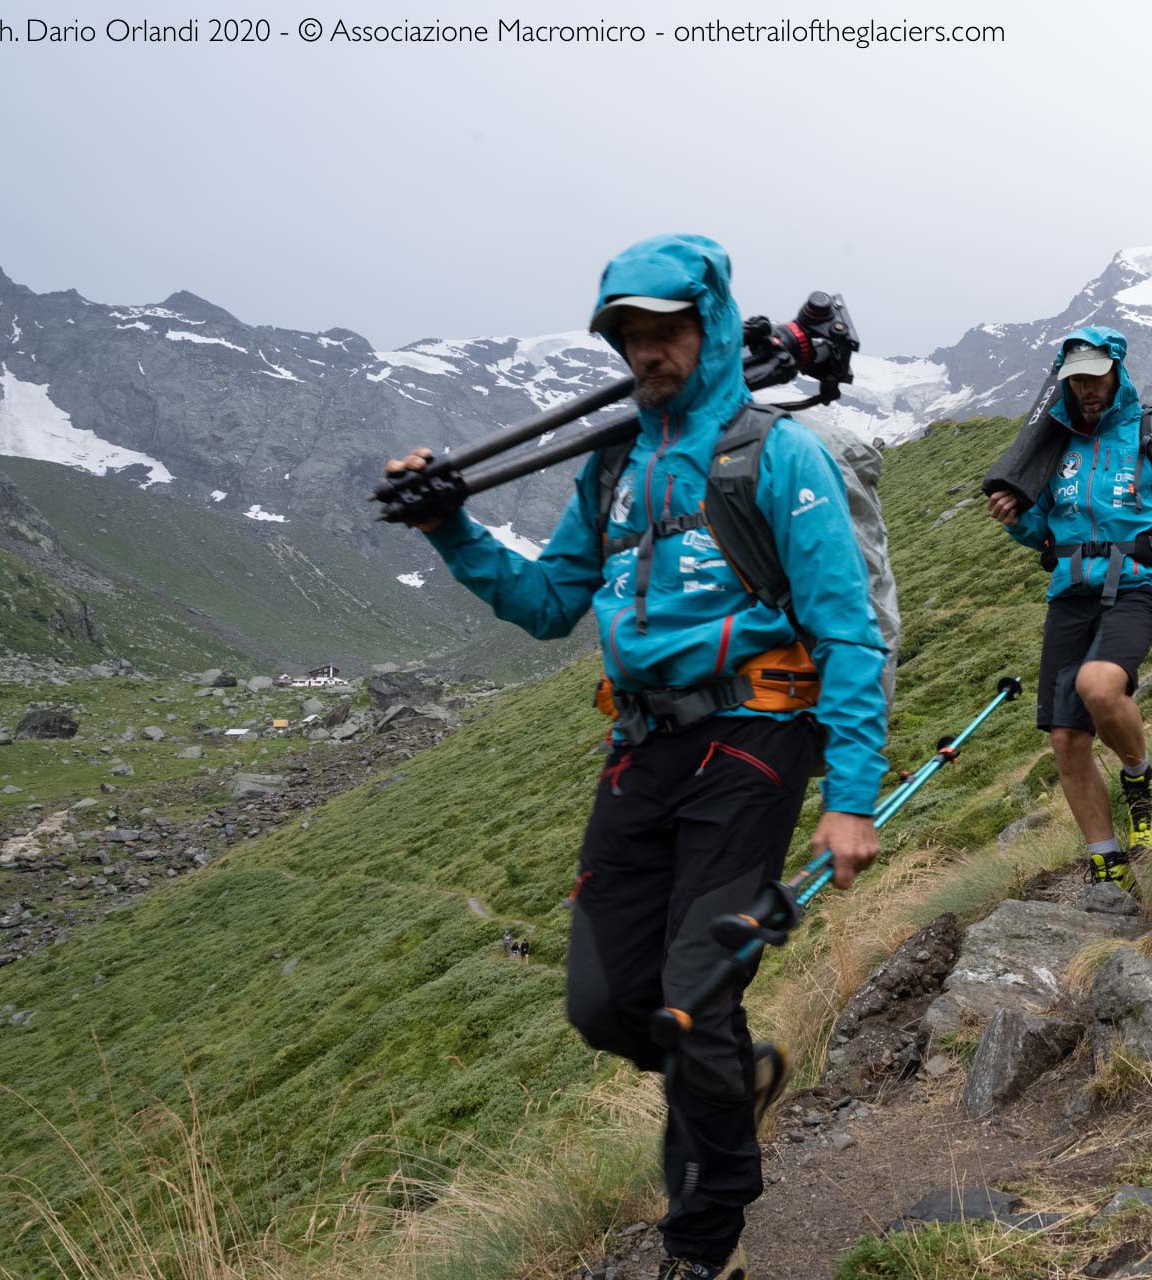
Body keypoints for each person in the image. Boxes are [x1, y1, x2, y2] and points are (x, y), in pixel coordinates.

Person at [387, 234, 889, 1280]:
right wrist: (452, 532)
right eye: (628, 332)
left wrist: (851, 797)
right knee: (608, 1003)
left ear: (709, 324)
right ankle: (733, 1081)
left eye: (666, 327)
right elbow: (545, 606)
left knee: (692, 987)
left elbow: (848, 631)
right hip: (642, 744)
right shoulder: (611, 463)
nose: (647, 350)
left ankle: (702, 1243)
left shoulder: (774, 455)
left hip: (756, 735)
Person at [986, 327, 1152, 891]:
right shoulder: (1055, 445)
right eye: (1076, 380)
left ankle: (1140, 781)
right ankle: (1107, 861)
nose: (1087, 389)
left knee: (1099, 686)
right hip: (1070, 593)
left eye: (1095, 375)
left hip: (1138, 585)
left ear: (1116, 369)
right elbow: (1045, 533)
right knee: (1067, 739)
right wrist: (1017, 520)